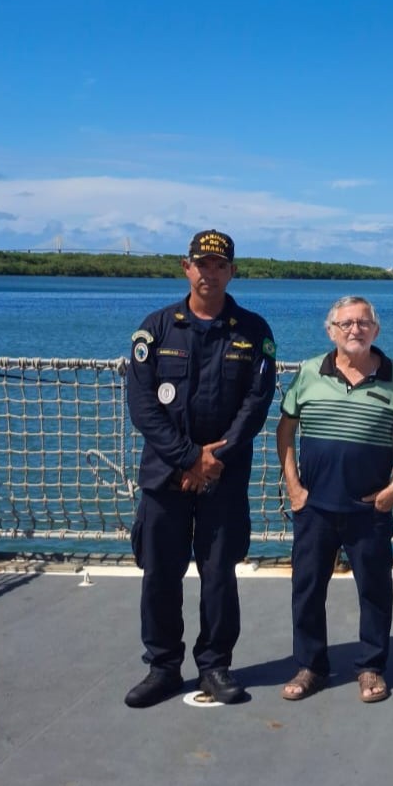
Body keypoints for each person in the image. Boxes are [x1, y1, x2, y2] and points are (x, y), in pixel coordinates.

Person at [124, 229, 276, 707]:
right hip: (165, 476)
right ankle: (164, 667)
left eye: (219, 265)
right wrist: (190, 458)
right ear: (186, 268)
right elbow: (142, 405)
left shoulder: (254, 331)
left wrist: (213, 459)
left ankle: (214, 666)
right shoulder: (156, 329)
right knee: (160, 574)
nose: (210, 273)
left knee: (218, 575)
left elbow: (256, 405)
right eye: (201, 263)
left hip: (223, 479)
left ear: (233, 272)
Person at [276, 297, 393, 703]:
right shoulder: (308, 372)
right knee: (306, 589)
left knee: (374, 590)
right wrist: (294, 487)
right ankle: (310, 666)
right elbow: (286, 431)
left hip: (369, 508)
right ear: (331, 330)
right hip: (315, 505)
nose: (355, 329)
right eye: (346, 323)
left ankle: (371, 667)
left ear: (376, 330)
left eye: (364, 323)